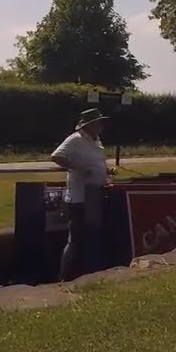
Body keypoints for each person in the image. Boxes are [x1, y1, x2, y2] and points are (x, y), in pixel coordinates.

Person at [50, 108, 116, 282]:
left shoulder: (97, 141)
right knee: (76, 239)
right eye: (98, 122)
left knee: (93, 236)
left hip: (95, 195)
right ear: (90, 125)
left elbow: (96, 162)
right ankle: (63, 278)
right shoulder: (75, 139)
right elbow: (56, 156)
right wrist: (81, 168)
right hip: (80, 197)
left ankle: (90, 275)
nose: (101, 126)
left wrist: (106, 170)